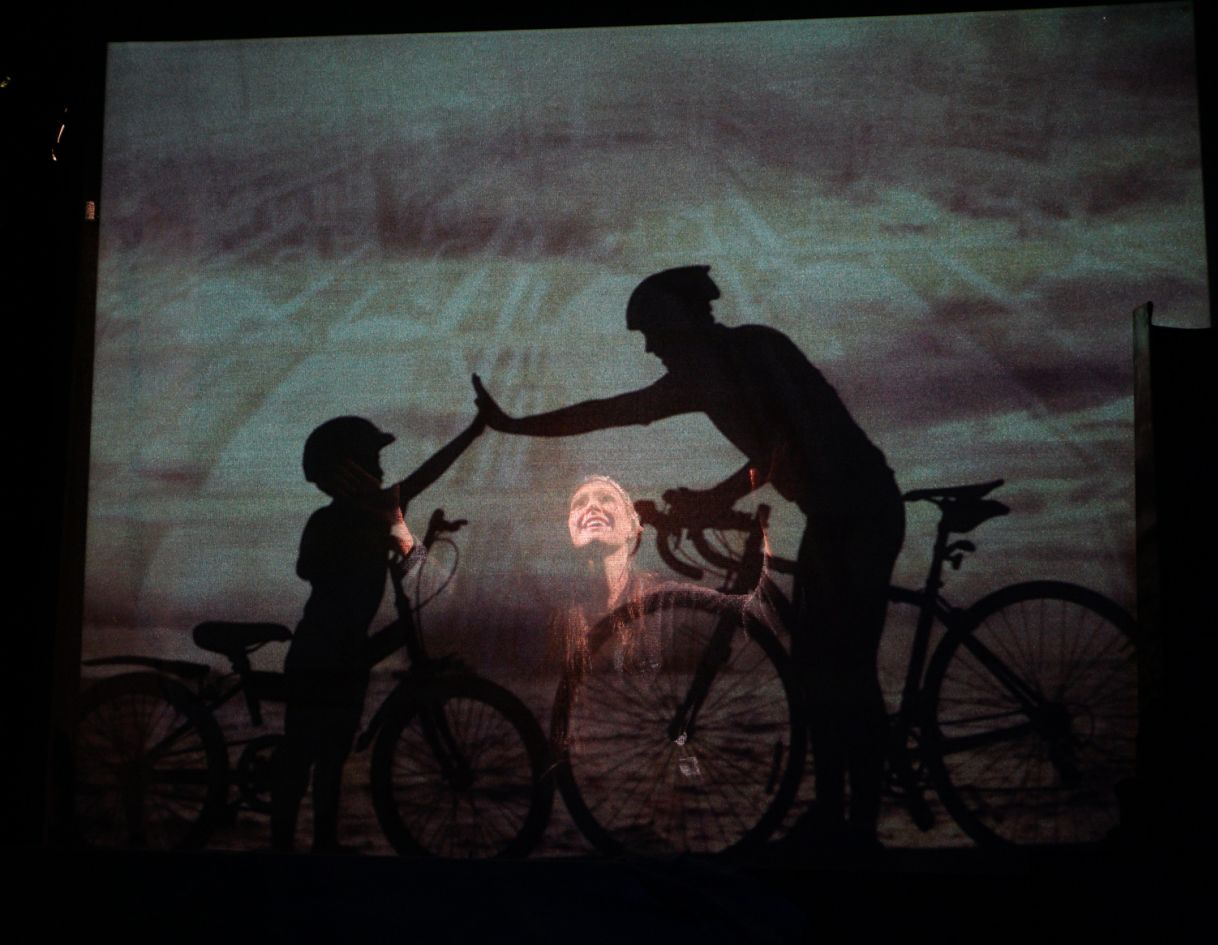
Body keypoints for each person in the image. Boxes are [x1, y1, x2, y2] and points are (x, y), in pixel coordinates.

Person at [473, 265, 904, 852]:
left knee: (842, 669)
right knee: (818, 669)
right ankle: (837, 821)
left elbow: (787, 441)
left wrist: (715, 498)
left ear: (680, 323)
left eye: (652, 331)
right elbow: (605, 411)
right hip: (835, 517)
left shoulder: (757, 349)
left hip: (861, 510)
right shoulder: (698, 379)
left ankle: (855, 829)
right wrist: (514, 426)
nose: (649, 347)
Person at [271, 390, 489, 854]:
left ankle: (316, 854)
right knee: (305, 761)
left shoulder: (375, 518)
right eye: (372, 460)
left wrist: (420, 535)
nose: (382, 470)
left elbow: (418, 502)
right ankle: (285, 854)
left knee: (327, 763)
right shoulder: (333, 522)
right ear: (347, 469)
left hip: (344, 658)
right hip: (323, 657)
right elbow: (312, 568)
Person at [550, 474, 660, 678]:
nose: (591, 507)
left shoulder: (663, 599)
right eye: (579, 504)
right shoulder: (555, 613)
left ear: (633, 526)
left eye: (606, 499)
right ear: (570, 528)